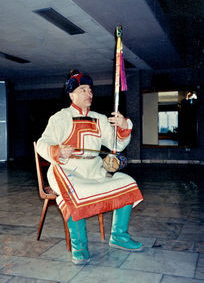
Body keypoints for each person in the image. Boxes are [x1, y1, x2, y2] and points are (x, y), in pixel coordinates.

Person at [36, 70, 143, 265]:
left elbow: (116, 146)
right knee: (74, 193)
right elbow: (43, 144)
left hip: (95, 171)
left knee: (128, 182)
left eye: (90, 90)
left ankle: (118, 236)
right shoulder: (61, 117)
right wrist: (58, 151)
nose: (89, 94)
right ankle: (80, 247)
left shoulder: (100, 118)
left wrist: (122, 127)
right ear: (71, 95)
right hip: (66, 170)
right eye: (83, 89)